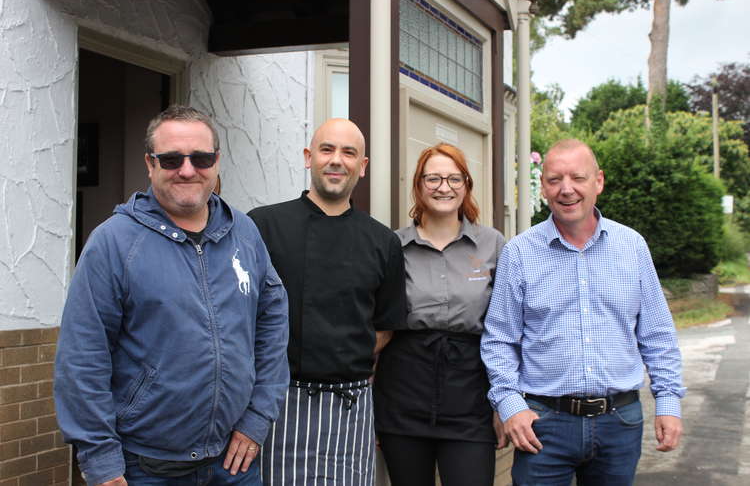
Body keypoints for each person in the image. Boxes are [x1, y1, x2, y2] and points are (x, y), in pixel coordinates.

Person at [54, 105, 290, 486]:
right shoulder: (114, 242)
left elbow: (273, 323)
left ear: (216, 161)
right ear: (150, 164)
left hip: (234, 463)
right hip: (145, 469)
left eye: (200, 157)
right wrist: (101, 462)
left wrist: (258, 417)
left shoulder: (243, 233)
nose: (187, 169)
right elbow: (82, 358)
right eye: (171, 159)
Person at [481, 139, 686, 485]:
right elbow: (499, 339)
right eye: (554, 179)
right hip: (543, 423)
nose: (566, 190)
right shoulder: (519, 253)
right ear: (542, 186)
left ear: (599, 182)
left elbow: (657, 334)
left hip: (620, 422)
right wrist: (510, 404)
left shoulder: (632, 247)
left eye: (577, 177)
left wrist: (667, 401)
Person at [248, 118, 406, 486]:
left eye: (349, 152)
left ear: (362, 166)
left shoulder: (383, 242)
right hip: (278, 402)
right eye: (327, 149)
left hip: (350, 406)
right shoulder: (262, 226)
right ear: (308, 157)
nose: (337, 160)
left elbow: (385, 326)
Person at [373, 143, 506, 486]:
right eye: (433, 178)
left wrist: (504, 403)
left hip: (471, 397)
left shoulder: (493, 245)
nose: (443, 187)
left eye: (453, 178)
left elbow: (506, 329)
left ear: (466, 185)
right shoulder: (391, 246)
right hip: (403, 393)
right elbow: (379, 326)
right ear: (418, 185)